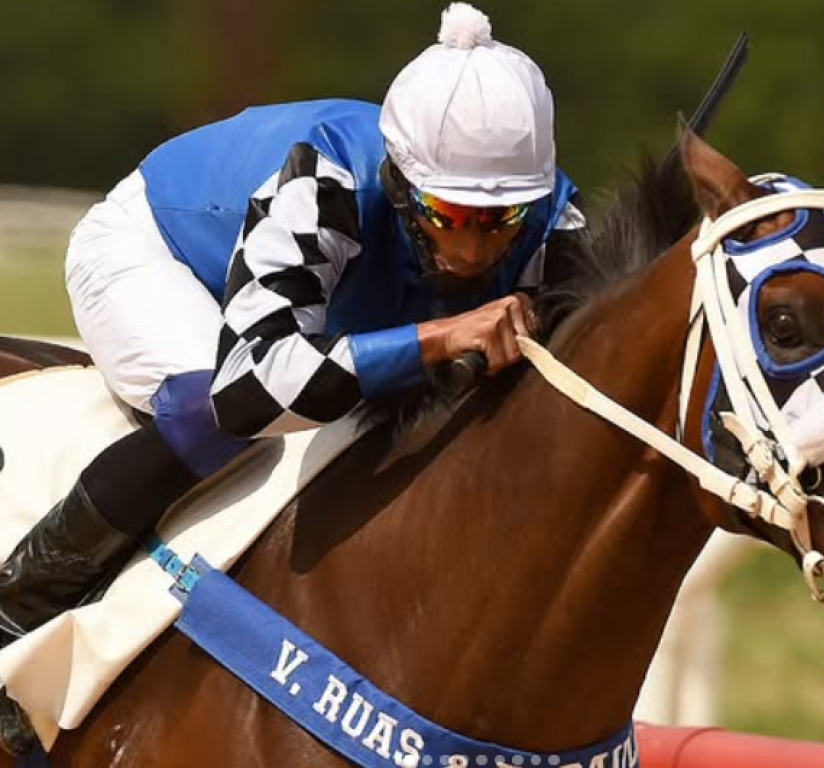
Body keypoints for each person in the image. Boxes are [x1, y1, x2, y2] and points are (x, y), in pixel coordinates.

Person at [0, 2, 586, 754]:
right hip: (161, 257)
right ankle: (17, 606)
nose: (472, 247)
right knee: (214, 417)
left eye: (498, 219)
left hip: (298, 311)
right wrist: (438, 336)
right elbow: (253, 387)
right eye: (446, 213)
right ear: (401, 178)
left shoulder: (549, 218)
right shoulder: (325, 179)